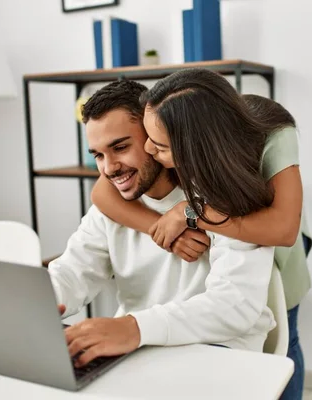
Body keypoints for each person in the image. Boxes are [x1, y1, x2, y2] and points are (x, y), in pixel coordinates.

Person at [90, 69, 311, 400]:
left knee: (282, 337)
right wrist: (160, 226)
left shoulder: (274, 135)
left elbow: (283, 229)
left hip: (282, 242)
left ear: (194, 147)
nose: (148, 150)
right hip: (237, 235)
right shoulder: (184, 135)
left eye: (159, 146)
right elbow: (102, 193)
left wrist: (189, 213)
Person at [48, 79, 277, 368]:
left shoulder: (225, 196)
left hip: (219, 355)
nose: (108, 168)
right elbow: (73, 269)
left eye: (120, 147)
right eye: (98, 155)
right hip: (140, 352)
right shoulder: (110, 209)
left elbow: (235, 305)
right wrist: (42, 297)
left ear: (156, 134)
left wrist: (135, 327)